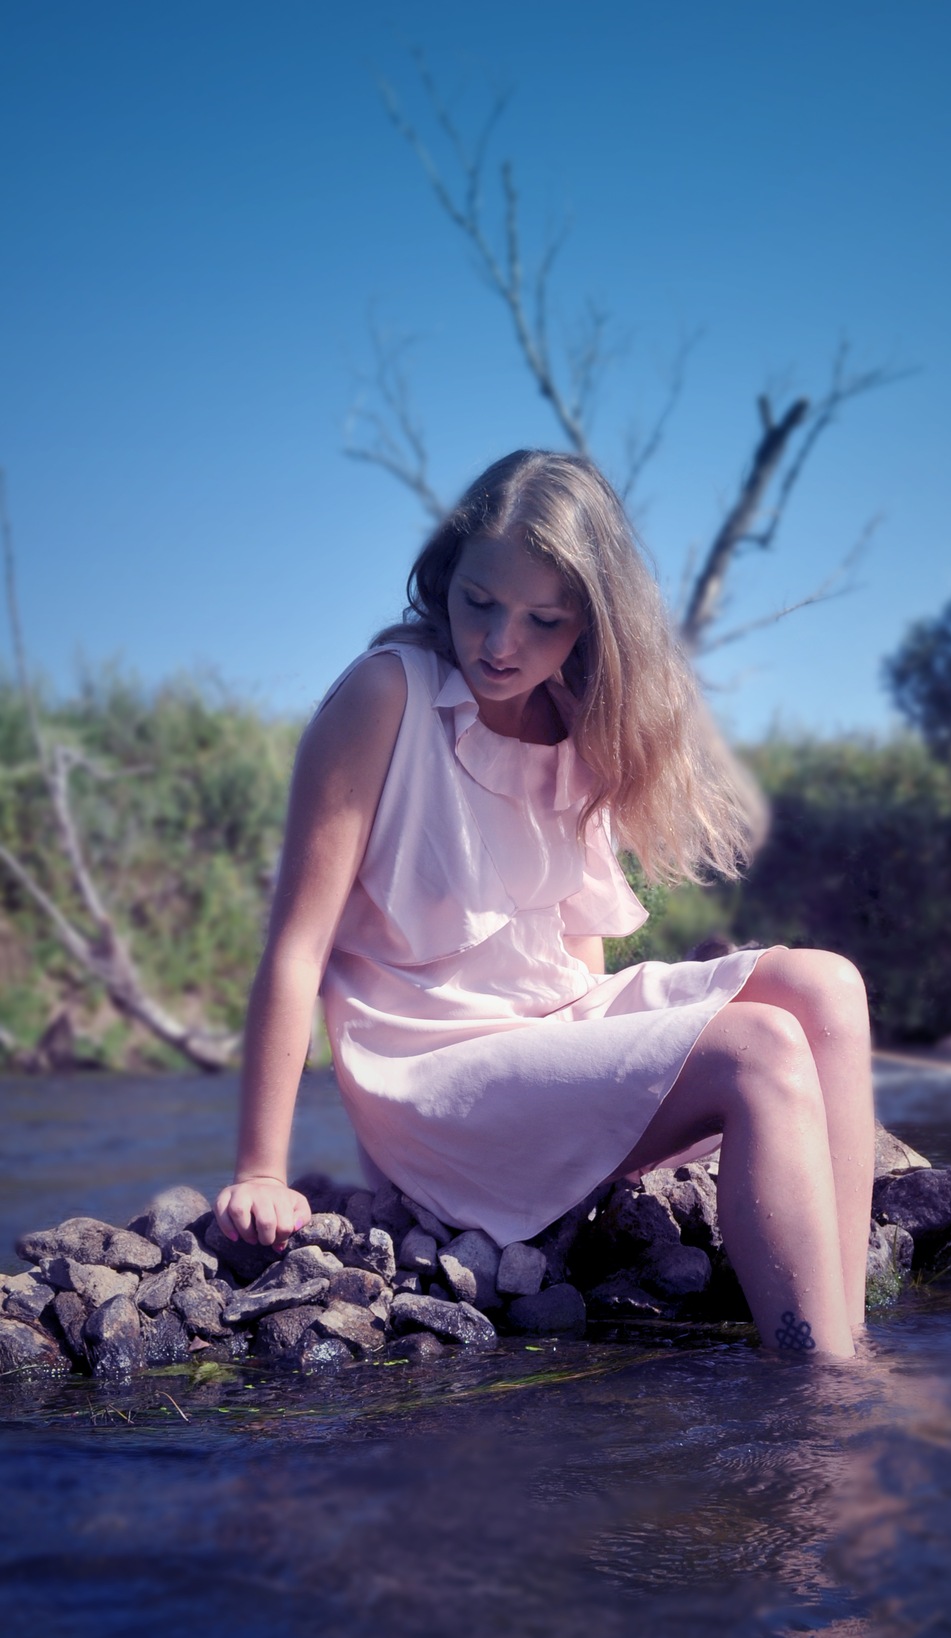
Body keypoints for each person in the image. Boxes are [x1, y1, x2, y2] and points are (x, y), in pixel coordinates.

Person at [214, 450, 873, 1357]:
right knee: (757, 1049)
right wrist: (261, 1169)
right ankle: (826, 1387)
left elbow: (573, 945)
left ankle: (849, 1334)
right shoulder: (386, 694)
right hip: (436, 1078)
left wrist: (609, 1083)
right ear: (445, 577)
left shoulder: (574, 715)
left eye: (542, 620)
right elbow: (297, 950)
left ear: (589, 625)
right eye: (479, 602)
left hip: (548, 1039)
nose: (498, 643)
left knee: (827, 986)